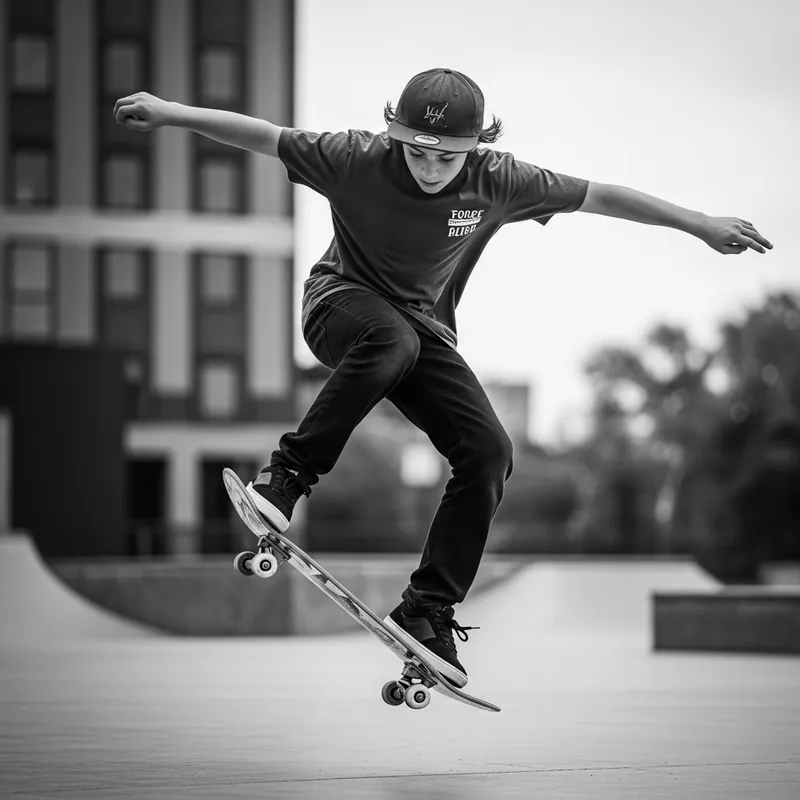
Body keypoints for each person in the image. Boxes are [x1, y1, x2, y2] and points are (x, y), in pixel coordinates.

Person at [114, 67, 772, 688]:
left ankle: (427, 609)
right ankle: (287, 477)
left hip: (420, 332)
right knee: (389, 336)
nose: (429, 168)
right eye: (416, 152)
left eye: (445, 157)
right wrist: (170, 113)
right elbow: (262, 134)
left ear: (476, 146)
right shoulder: (353, 157)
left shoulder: (500, 178)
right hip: (338, 306)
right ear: (395, 135)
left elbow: (601, 196)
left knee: (489, 451)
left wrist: (699, 224)